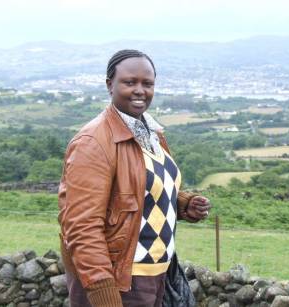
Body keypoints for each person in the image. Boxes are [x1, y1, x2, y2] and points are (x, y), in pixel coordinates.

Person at [58, 49, 211, 307]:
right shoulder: (93, 142)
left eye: (147, 83)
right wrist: (105, 295)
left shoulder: (150, 132)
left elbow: (141, 188)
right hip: (122, 283)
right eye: (130, 82)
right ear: (110, 85)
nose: (140, 90)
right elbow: (82, 228)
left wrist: (182, 204)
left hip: (158, 276)